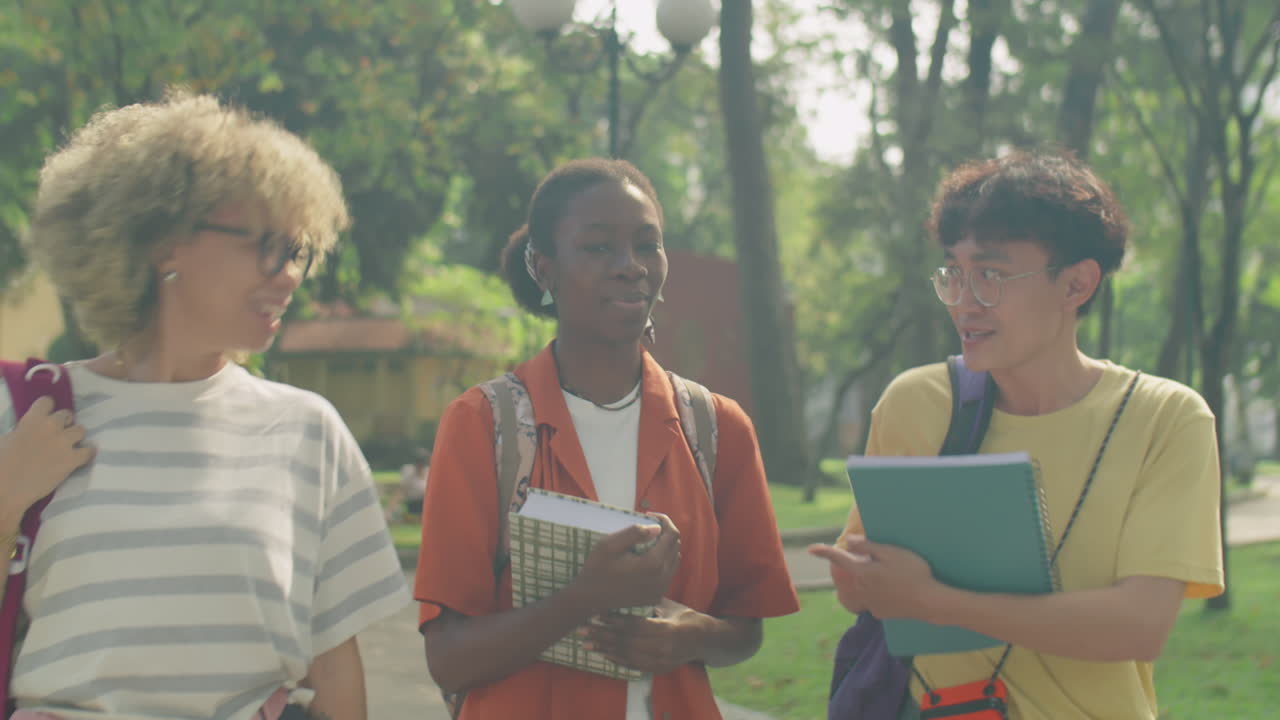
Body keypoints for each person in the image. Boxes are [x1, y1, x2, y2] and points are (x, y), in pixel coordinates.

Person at [0, 90, 410, 720]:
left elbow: (333, 668)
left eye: (298, 251)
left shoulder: (307, 431)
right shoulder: (23, 413)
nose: (289, 275)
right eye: (267, 245)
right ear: (165, 240)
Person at [809, 151, 1224, 719]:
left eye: (991, 275)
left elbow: (1138, 626)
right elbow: (863, 592)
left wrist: (933, 600)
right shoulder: (916, 403)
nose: (964, 301)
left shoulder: (1166, 419)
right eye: (954, 273)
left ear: (1076, 283)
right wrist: (862, 580)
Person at [414, 158, 800, 719]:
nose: (631, 267)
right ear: (544, 268)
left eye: (648, 245)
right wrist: (585, 598)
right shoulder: (484, 425)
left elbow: (744, 630)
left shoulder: (716, 428)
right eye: (598, 248)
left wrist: (690, 636)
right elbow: (449, 659)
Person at [386, 448, 430, 522]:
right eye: (418, 464)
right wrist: (389, 511)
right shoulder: (408, 471)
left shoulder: (429, 472)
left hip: (426, 503)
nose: (420, 467)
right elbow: (400, 492)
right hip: (413, 504)